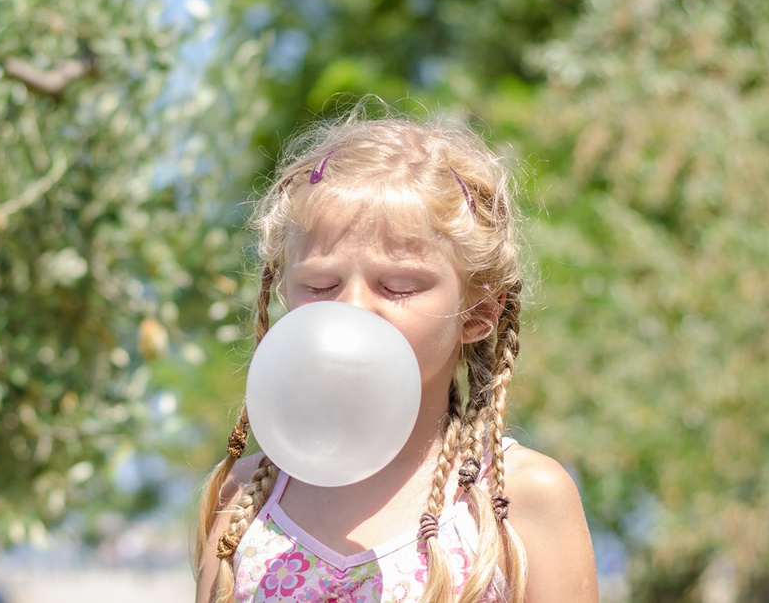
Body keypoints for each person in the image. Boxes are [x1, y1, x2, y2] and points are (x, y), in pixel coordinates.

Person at [193, 101, 598, 602]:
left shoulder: (520, 496)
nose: (353, 308)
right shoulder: (244, 496)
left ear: (478, 312)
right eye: (320, 284)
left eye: (399, 286)